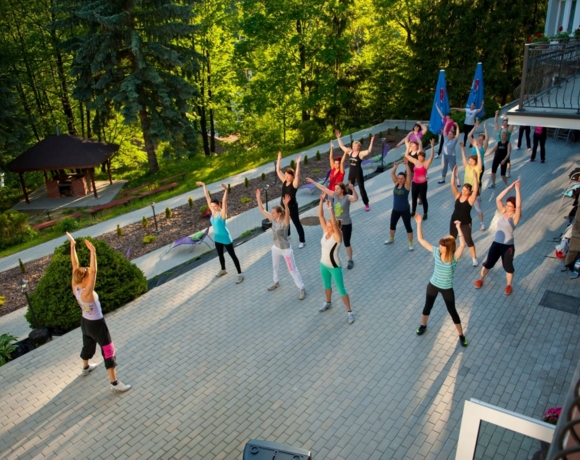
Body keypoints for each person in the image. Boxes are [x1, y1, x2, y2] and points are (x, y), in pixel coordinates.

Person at [65, 232, 131, 392]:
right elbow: (94, 272)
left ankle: (85, 367)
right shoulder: (87, 293)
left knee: (88, 345)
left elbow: (74, 265)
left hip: (85, 323)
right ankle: (114, 383)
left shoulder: (75, 287)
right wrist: (93, 252)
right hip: (97, 324)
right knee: (108, 349)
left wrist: (73, 246)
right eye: (87, 274)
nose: (90, 274)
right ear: (85, 279)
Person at [414, 214, 469, 347]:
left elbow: (462, 245)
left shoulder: (454, 257)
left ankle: (461, 335)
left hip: (446, 288)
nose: (439, 247)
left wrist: (458, 228)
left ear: (448, 248)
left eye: (442, 246)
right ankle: (423, 325)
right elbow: (421, 240)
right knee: (427, 306)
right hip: (433, 285)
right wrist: (419, 223)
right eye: (439, 245)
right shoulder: (436, 252)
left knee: (452, 311)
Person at [474, 180, 522, 295]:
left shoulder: (515, 217)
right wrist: (510, 187)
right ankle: (481, 279)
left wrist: (517, 189)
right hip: (496, 243)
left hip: (507, 246)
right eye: (507, 205)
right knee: (488, 263)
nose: (508, 207)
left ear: (514, 208)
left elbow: (519, 205)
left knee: (508, 267)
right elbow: (498, 199)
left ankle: (508, 285)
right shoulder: (503, 211)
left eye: (510, 206)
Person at [256, 190, 306, 300]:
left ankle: (301, 288)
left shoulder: (285, 222)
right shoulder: (273, 220)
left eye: (274, 213)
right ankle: (276, 282)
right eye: (272, 213)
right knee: (275, 266)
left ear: (279, 213)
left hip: (286, 250)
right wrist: (258, 197)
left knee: (292, 270)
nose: (272, 214)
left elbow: (287, 215)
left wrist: (286, 205)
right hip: (276, 248)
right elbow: (262, 209)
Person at [317, 193, 355, 324]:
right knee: (326, 285)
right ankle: (328, 302)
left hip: (335, 267)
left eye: (330, 227)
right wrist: (321, 201)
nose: (327, 228)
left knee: (341, 289)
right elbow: (320, 216)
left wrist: (330, 209)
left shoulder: (338, 236)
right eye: (327, 226)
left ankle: (350, 312)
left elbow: (333, 222)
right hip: (323, 265)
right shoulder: (325, 232)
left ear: (335, 227)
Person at [305, 178, 359, 269]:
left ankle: (350, 260)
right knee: (333, 242)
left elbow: (355, 198)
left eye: (338, 189)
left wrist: (353, 189)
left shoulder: (347, 197)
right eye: (335, 188)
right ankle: (332, 258)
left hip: (346, 224)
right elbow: (324, 188)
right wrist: (313, 182)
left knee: (347, 243)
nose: (335, 190)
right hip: (336, 224)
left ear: (342, 189)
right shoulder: (334, 195)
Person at [197, 181, 244, 283]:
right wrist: (204, 185)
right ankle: (223, 269)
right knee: (220, 255)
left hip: (226, 238)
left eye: (215, 206)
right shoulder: (213, 211)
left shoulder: (222, 214)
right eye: (212, 206)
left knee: (233, 256)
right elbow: (207, 197)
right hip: (217, 238)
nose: (213, 208)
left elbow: (224, 201)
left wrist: (226, 190)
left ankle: (240, 274)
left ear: (219, 205)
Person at [335, 130, 375, 211]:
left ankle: (366, 204)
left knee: (361, 188)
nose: (354, 147)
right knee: (349, 189)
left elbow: (369, 151)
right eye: (353, 146)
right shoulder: (350, 152)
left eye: (356, 146)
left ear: (358, 147)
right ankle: (346, 204)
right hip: (351, 173)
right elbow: (342, 146)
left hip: (358, 173)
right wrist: (338, 138)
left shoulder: (360, 154)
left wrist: (371, 141)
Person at [449, 166, 480, 267]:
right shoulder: (458, 196)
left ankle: (474, 258)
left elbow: (476, 190)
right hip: (454, 220)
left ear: (469, 192)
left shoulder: (470, 199)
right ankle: (450, 256)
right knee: (452, 238)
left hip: (465, 223)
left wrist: (475, 176)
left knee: (468, 240)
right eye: (463, 189)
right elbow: (452, 184)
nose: (463, 191)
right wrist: (453, 173)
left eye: (466, 190)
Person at [276, 152, 306, 247]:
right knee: (285, 221)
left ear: (292, 177)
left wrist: (298, 163)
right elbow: (278, 170)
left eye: (288, 176)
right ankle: (288, 234)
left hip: (292, 207)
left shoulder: (294, 184)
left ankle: (302, 241)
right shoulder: (284, 181)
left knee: (296, 223)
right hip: (283, 206)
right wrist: (279, 158)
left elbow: (297, 176)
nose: (286, 177)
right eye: (285, 175)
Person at [384, 158, 413, 250]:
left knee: (408, 226)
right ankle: (391, 238)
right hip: (395, 209)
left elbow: (409, 174)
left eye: (402, 179)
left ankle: (410, 243)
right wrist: (395, 167)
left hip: (405, 210)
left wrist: (406, 164)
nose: (400, 180)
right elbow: (392, 174)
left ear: (405, 179)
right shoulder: (396, 183)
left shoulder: (407, 186)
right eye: (399, 178)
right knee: (392, 225)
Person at [406, 138, 435, 219]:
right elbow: (407, 156)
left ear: (424, 157)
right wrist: (409, 147)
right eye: (419, 157)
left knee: (423, 198)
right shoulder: (416, 161)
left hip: (423, 184)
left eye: (421, 157)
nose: (419, 158)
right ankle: (413, 211)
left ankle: (425, 213)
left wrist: (432, 146)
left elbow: (432, 157)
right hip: (415, 183)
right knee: (414, 198)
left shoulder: (426, 164)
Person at [460, 141, 486, 231]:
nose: (470, 162)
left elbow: (479, 157)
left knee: (478, 208)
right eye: (469, 161)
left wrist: (476, 147)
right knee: (463, 208)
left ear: (475, 161)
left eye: (472, 161)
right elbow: (463, 157)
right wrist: (462, 148)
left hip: (474, 191)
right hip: (465, 191)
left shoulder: (478, 168)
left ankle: (482, 224)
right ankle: (462, 224)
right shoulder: (467, 167)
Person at [494, 111, 514, 177]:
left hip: (506, 146)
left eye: (506, 123)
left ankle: (508, 172)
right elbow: (495, 122)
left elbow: (513, 124)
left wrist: (512, 116)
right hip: (499, 145)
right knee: (496, 157)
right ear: (502, 123)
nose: (505, 124)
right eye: (504, 122)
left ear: (508, 123)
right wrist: (496, 114)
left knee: (507, 160)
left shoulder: (509, 130)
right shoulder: (500, 129)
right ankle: (494, 169)